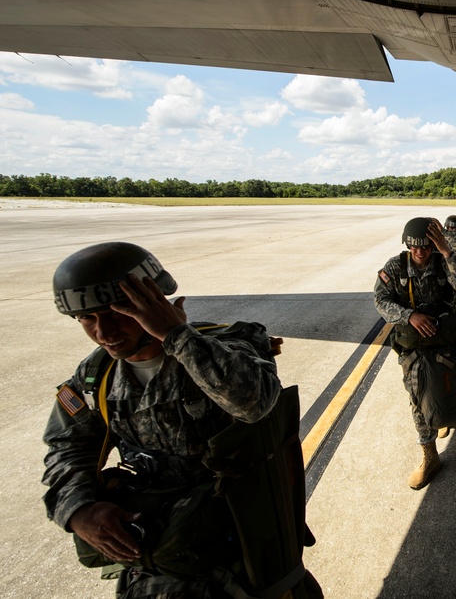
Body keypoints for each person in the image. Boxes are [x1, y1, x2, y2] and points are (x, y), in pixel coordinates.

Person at [42, 242, 321, 598]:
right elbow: (65, 446)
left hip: (243, 545)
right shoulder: (97, 375)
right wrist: (78, 509)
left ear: (155, 301)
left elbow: (254, 401)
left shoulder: (229, 342)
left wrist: (176, 336)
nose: (103, 332)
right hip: (161, 550)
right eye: (87, 319)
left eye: (116, 313)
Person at [374, 217, 456, 489]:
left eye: (427, 247)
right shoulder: (395, 267)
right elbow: (380, 300)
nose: (420, 252)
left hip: (448, 342)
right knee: (418, 397)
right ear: (407, 245)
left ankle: (440, 416)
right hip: (415, 348)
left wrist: (447, 251)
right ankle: (430, 455)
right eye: (415, 247)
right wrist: (409, 315)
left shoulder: (443, 261)